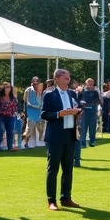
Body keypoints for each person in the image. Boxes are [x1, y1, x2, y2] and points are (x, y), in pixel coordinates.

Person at [42, 68, 83, 211]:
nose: (69, 80)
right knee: (53, 169)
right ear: (57, 78)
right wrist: (60, 114)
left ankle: (66, 198)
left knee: (68, 169)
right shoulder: (49, 95)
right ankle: (51, 200)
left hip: (70, 135)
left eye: (69, 78)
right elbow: (44, 114)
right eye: (66, 78)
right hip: (55, 136)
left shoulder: (72, 93)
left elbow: (77, 106)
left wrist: (78, 111)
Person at [0, 83, 19, 151]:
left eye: (9, 88)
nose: (8, 89)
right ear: (3, 89)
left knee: (10, 132)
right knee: (0, 132)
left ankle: (10, 147)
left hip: (11, 117)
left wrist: (11, 113)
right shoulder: (0, 98)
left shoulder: (13, 98)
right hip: (2, 117)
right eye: (6, 87)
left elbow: (15, 108)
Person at [79, 77, 101, 148]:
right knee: (83, 128)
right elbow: (79, 101)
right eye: (89, 82)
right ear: (86, 84)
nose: (90, 84)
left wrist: (99, 110)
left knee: (92, 127)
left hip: (93, 111)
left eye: (91, 82)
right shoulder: (82, 92)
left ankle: (91, 142)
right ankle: (83, 143)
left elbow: (98, 102)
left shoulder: (95, 92)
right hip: (84, 111)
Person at [24, 78, 45, 149]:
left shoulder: (42, 90)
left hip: (40, 113)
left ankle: (41, 141)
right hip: (31, 113)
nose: (35, 84)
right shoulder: (28, 90)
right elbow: (26, 101)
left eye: (36, 83)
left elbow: (43, 100)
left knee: (41, 128)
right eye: (33, 83)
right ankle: (26, 143)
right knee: (29, 129)